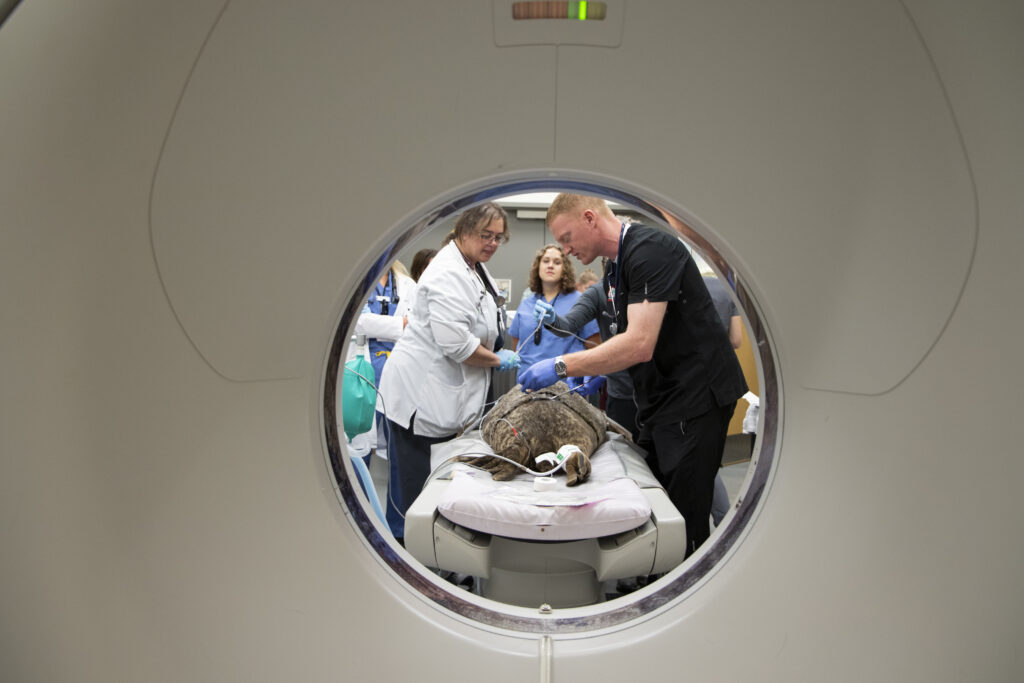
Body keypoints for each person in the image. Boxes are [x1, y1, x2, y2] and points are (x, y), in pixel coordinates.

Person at [522, 193, 747, 557]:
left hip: (696, 397)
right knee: (657, 495)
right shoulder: (615, 267)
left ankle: (683, 578)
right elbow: (629, 338)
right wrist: (599, 372)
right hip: (663, 397)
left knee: (683, 512)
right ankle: (659, 571)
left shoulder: (651, 249)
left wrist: (562, 366)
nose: (564, 251)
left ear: (591, 219)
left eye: (566, 238)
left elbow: (639, 342)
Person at [377, 202, 520, 542]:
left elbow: (483, 320)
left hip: (445, 394)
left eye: (499, 237)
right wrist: (501, 361)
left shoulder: (473, 267)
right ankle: (407, 556)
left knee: (440, 485)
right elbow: (458, 346)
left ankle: (437, 553)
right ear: (464, 230)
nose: (493, 244)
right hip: (418, 398)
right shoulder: (446, 272)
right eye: (486, 235)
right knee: (411, 494)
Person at [507, 244, 599, 385]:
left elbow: (594, 345)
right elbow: (516, 344)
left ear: (565, 269)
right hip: (528, 384)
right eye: (545, 261)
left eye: (557, 262)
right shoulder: (526, 303)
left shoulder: (580, 301)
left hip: (565, 386)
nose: (550, 266)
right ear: (538, 267)